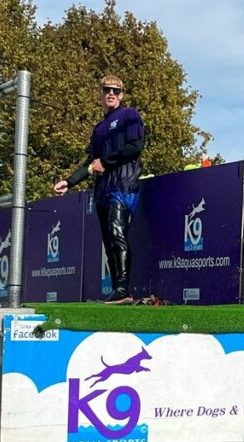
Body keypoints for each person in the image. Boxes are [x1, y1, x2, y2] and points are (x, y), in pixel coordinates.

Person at [54, 74, 145, 304]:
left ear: (122, 95)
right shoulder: (98, 129)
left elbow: (135, 147)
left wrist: (105, 162)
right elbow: (90, 162)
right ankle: (117, 292)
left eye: (115, 90)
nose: (110, 93)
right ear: (100, 94)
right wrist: (70, 181)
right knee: (108, 240)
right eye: (106, 90)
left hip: (124, 185)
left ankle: (123, 289)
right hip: (103, 190)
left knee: (117, 234)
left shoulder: (129, 115)